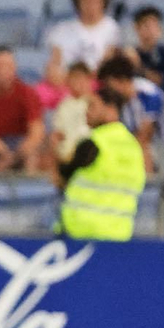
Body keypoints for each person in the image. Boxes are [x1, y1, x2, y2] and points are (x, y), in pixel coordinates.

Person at [56, 85, 145, 241]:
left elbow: (61, 176)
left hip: (81, 233)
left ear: (111, 109)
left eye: (92, 106)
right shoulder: (133, 146)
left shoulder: (94, 143)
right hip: (119, 234)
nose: (87, 112)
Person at [97, 53, 164, 174]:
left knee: (143, 145)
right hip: (130, 146)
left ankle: (148, 185)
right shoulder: (117, 102)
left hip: (160, 149)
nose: (107, 89)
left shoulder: (148, 93)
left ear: (120, 81)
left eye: (108, 84)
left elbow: (145, 135)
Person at [45, 0, 119, 89]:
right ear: (77, 2)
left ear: (104, 2)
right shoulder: (61, 29)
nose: (90, 3)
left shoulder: (111, 28)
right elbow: (54, 62)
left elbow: (107, 64)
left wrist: (81, 81)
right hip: (63, 83)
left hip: (95, 83)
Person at [49, 61, 93, 161]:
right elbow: (58, 133)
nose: (78, 82)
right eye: (75, 78)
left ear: (89, 80)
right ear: (68, 81)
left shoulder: (94, 103)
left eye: (82, 78)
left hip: (89, 153)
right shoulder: (63, 106)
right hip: (66, 155)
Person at [131, 6, 164, 97]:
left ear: (159, 29)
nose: (150, 30)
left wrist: (138, 66)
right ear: (136, 28)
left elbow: (159, 80)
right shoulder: (131, 53)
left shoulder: (162, 52)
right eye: (146, 25)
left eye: (154, 25)